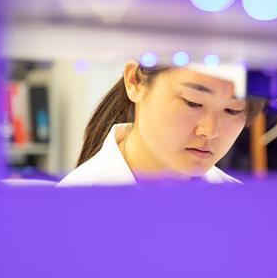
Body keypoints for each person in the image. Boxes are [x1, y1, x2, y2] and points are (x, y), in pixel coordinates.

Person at [57, 60, 265, 186]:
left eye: (232, 110)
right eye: (192, 103)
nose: (210, 131)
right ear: (134, 81)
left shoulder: (240, 206)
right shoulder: (70, 210)